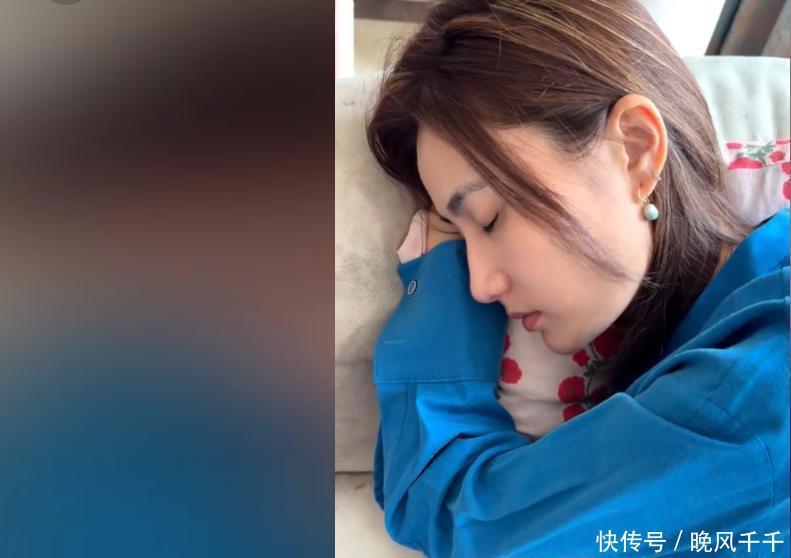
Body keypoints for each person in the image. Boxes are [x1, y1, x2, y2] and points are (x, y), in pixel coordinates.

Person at [365, 0, 790, 556]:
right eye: (461, 240)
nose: (479, 285)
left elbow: (480, 528)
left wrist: (437, 295)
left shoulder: (745, 393)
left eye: (490, 219)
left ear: (635, 150)